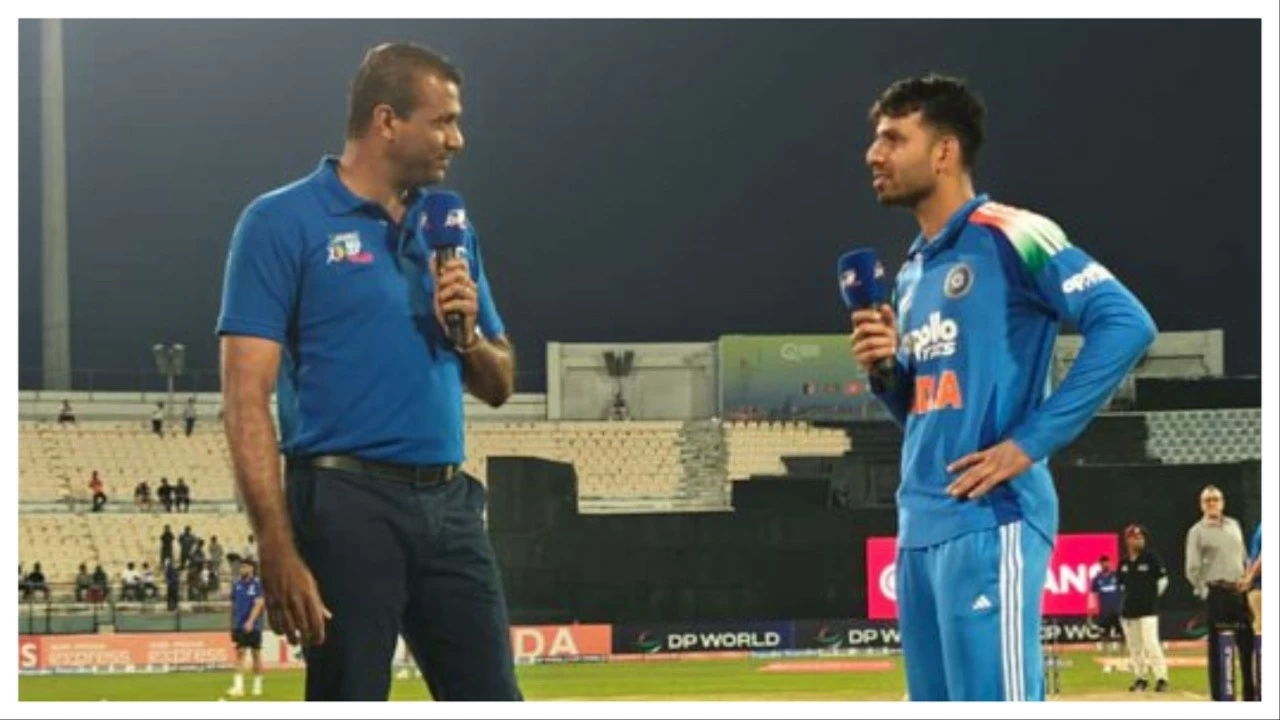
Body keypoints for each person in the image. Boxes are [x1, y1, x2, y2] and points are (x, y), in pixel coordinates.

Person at [217, 42, 520, 702]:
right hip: (346, 504)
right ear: (387, 121)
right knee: (350, 696)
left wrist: (465, 333)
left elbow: (499, 384)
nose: (458, 139)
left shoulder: (450, 229)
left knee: (494, 698)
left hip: (451, 503)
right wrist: (276, 545)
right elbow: (245, 400)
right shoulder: (280, 221)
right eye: (442, 121)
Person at [851, 75, 1155, 702]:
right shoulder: (910, 271)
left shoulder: (1012, 231)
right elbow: (923, 411)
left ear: (944, 151)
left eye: (892, 139)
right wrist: (887, 372)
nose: (873, 155)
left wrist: (1031, 442)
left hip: (993, 517)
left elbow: (1126, 325)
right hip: (920, 524)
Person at [1185, 485, 1256, 701]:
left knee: (1247, 644)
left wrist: (1246, 580)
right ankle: (1219, 698)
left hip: (1238, 593)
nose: (1212, 504)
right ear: (1201, 505)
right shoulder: (1197, 531)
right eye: (1208, 500)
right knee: (1217, 648)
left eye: (1216, 499)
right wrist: (1205, 592)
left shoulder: (1234, 525)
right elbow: (1192, 568)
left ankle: (1250, 696)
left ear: (1223, 502)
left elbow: (1244, 557)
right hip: (1217, 594)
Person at [1116, 524, 1169, 692]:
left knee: (1151, 644)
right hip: (1129, 611)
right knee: (1134, 646)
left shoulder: (1151, 558)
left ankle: (1161, 678)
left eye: (1141, 538)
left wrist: (1151, 598)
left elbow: (1163, 580)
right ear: (1128, 540)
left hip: (1148, 610)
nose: (1139, 540)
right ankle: (1140, 678)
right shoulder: (1123, 563)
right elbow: (1121, 586)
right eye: (1135, 538)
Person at [227, 558, 266, 697]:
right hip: (239, 625)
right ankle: (239, 687)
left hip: (253, 625)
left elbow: (259, 603)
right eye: (241, 567)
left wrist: (250, 621)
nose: (242, 569)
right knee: (240, 653)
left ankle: (257, 686)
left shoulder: (257, 584)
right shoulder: (236, 584)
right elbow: (233, 605)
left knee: (256, 654)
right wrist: (231, 624)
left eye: (244, 567)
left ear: (251, 568)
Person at [1088, 554, 1123, 646]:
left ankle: (1124, 651)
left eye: (1106, 562)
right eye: (1103, 563)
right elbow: (1092, 594)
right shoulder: (1097, 579)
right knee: (1104, 633)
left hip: (1117, 610)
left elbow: (1124, 590)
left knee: (1122, 632)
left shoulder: (1116, 576)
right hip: (1104, 611)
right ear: (1100, 564)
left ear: (1110, 563)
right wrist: (1091, 608)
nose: (1105, 564)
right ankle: (1105, 651)